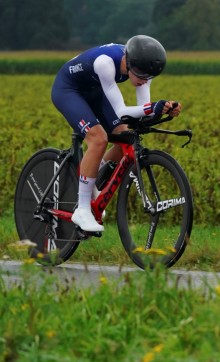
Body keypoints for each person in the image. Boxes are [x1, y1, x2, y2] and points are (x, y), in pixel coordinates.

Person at [51, 35, 182, 233]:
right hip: (69, 89)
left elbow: (141, 112)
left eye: (148, 78)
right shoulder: (106, 63)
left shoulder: (141, 67)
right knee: (98, 138)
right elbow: (121, 111)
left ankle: (92, 176)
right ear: (128, 63)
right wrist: (152, 108)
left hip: (94, 90)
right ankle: (83, 209)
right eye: (140, 76)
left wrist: (162, 110)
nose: (143, 82)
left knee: (125, 137)